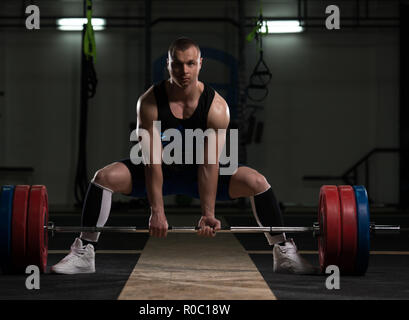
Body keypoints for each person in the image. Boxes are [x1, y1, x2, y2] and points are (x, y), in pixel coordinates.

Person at [51, 37, 317, 275]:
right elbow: (152, 161)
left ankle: (284, 253)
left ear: (201, 63)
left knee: (257, 182)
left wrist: (208, 213)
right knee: (104, 177)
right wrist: (157, 211)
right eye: (177, 64)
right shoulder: (149, 102)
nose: (184, 71)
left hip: (198, 173)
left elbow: (209, 164)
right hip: (159, 172)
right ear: (168, 64)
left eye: (190, 64)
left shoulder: (216, 106)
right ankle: (84, 252)